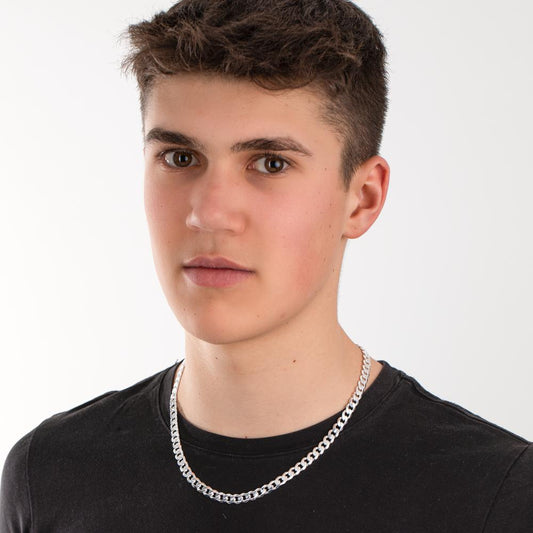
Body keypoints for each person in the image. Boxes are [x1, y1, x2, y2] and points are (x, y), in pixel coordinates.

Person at [1, 0, 531, 531]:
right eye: (181, 158)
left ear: (363, 198)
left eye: (270, 163)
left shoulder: (495, 494)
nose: (208, 213)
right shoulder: (48, 474)